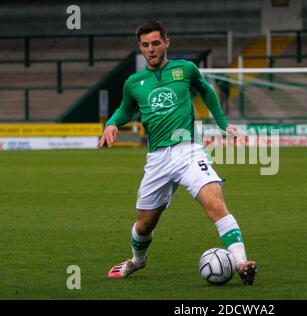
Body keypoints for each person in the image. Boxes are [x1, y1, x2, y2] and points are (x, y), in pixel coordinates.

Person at [98, 20, 257, 285]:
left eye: (156, 43)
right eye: (145, 45)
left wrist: (223, 123)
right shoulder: (134, 82)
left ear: (166, 43)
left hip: (189, 151)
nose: (151, 49)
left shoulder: (185, 70)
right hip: (158, 158)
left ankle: (242, 263)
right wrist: (112, 123)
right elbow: (125, 109)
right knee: (144, 224)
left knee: (215, 202)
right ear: (140, 47)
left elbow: (206, 91)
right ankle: (137, 261)